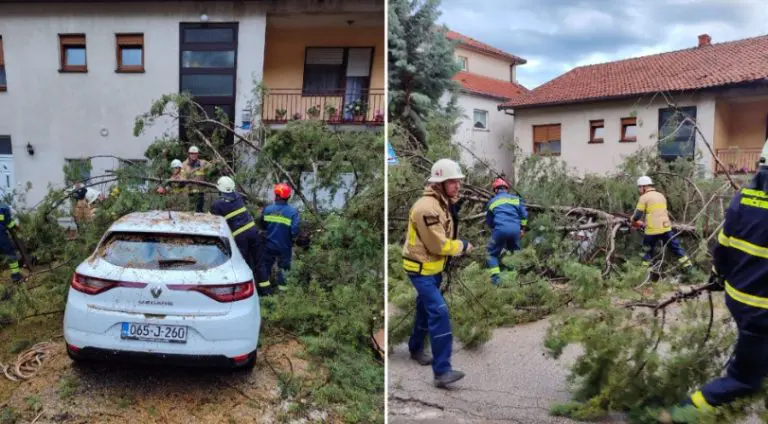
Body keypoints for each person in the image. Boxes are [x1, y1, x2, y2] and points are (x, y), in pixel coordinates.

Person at [658, 141, 768, 423]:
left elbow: (724, 245)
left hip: (740, 298)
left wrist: (717, 276)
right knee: (744, 379)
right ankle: (679, 415)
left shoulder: (743, 196)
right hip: (761, 310)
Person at [402, 158, 473, 388]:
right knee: (439, 312)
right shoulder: (426, 208)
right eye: (452, 182)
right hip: (420, 270)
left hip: (432, 269)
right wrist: (462, 246)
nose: (457, 186)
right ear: (439, 184)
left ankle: (415, 348)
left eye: (458, 182)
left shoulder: (441, 204)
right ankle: (442, 371)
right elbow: (438, 245)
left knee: (424, 309)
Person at [210, 176, 270, 296]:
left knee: (241, 263)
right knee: (259, 262)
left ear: (220, 189)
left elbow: (214, 223)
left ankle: (243, 292)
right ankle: (266, 292)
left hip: (239, 237)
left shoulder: (217, 205)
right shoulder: (239, 197)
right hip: (253, 232)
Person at [631, 176, 693, 274]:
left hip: (652, 230)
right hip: (666, 228)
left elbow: (637, 216)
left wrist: (632, 221)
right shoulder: (661, 195)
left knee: (647, 250)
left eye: (639, 187)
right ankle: (689, 268)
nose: (639, 190)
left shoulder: (644, 197)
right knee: (675, 247)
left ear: (644, 186)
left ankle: (645, 273)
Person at [485, 177, 528, 285]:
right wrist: (522, 229)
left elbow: (490, 222)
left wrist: (497, 231)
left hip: (500, 230)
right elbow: (524, 216)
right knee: (513, 254)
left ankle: (496, 280)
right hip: (515, 231)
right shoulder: (516, 199)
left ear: (495, 190)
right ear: (507, 189)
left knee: (490, 254)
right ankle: (512, 280)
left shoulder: (492, 202)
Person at [259, 183, 300, 292]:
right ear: (288, 197)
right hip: (285, 247)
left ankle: (264, 292)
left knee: (265, 268)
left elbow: (263, 226)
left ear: (276, 195)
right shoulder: (293, 212)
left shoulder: (267, 209)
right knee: (284, 270)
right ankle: (282, 294)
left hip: (269, 245)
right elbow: (294, 231)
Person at [182, 146, 210, 213]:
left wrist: (216, 162)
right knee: (190, 209)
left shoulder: (203, 163)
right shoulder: (184, 164)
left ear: (198, 154)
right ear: (189, 154)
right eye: (192, 153)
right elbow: (182, 177)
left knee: (199, 209)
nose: (194, 155)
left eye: (195, 153)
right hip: (189, 190)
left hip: (200, 190)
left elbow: (212, 168)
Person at [0, 202, 21, 283]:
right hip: (1, 235)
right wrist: (16, 226)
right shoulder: (4, 207)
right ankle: (16, 276)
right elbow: (9, 223)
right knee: (11, 254)